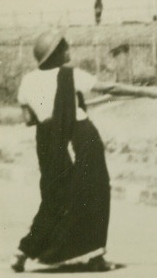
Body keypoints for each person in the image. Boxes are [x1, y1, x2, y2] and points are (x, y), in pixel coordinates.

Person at [12, 31, 131, 272]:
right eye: (65, 47)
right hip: (81, 136)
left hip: (47, 140)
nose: (69, 50)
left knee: (55, 195)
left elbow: (28, 119)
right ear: (55, 54)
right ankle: (95, 257)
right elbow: (110, 87)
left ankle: (23, 252)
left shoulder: (27, 81)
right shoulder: (71, 75)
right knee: (95, 190)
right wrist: (149, 93)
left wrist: (55, 110)